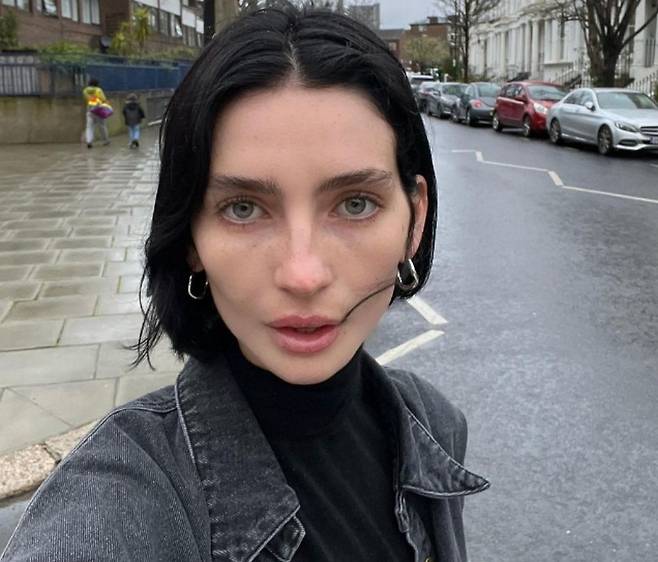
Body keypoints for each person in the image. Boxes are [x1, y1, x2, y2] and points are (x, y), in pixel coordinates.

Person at [1, 5, 489, 562]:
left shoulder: (433, 423)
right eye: (243, 208)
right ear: (191, 237)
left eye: (356, 204)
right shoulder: (117, 502)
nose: (303, 275)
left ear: (414, 220)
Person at [82, 78, 110, 148]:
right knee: (102, 126)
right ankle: (106, 140)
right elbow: (103, 99)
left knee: (89, 127)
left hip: (90, 110)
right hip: (99, 110)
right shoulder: (99, 90)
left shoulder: (85, 91)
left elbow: (86, 99)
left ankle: (89, 141)